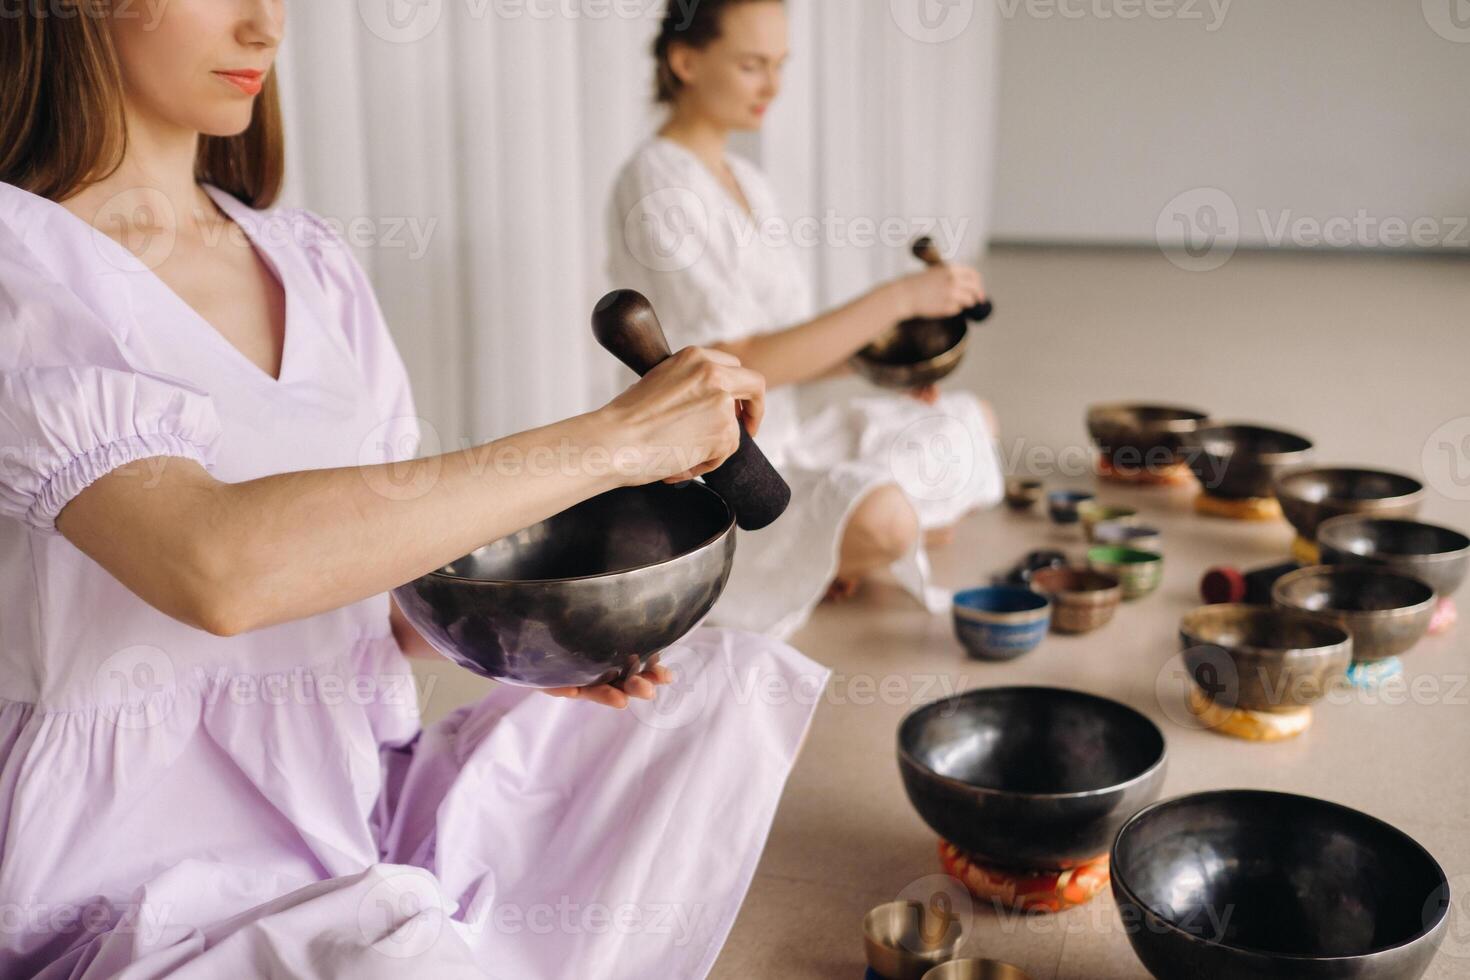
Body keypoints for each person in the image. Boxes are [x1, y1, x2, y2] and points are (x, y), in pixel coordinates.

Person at [0, 4, 826, 978]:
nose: (266, 29)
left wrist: (525, 635)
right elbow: (216, 566)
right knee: (408, 953)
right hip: (138, 871)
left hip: (346, 799)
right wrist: (615, 439)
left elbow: (381, 589)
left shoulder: (309, 262)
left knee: (715, 699)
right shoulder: (25, 263)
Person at [607, 0, 1005, 640]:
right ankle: (850, 546)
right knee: (888, 519)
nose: (773, 86)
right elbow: (741, 361)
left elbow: (786, 348)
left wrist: (882, 366)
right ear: (685, 61)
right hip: (720, 471)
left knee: (971, 421)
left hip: (793, 432)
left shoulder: (745, 180)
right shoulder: (656, 183)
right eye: (752, 65)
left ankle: (837, 549)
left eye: (781, 65)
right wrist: (899, 298)